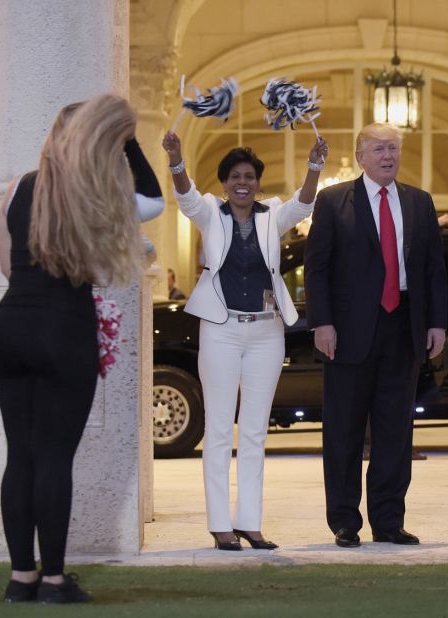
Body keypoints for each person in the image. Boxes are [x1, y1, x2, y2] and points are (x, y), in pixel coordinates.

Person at [0, 94, 163, 603]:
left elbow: (5, 264)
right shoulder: (97, 191)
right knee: (54, 458)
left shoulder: (18, 188)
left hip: (11, 325)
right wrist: (129, 143)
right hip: (63, 326)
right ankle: (54, 580)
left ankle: (20, 578)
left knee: (19, 456)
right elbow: (152, 201)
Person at [162, 130, 328, 551]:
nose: (243, 182)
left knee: (254, 431)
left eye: (250, 176)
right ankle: (220, 525)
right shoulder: (209, 214)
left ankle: (250, 523)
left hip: (266, 332)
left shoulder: (272, 214)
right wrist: (177, 158)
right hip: (220, 328)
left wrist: (314, 166)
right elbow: (184, 196)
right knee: (219, 428)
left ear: (258, 182)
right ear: (224, 183)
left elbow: (304, 203)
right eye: (235, 175)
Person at [304, 122, 448, 548]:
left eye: (394, 148)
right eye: (380, 149)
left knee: (395, 430)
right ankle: (345, 521)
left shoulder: (419, 203)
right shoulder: (333, 201)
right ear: (360, 157)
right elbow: (317, 266)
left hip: (403, 326)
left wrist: (436, 322)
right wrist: (321, 322)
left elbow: (433, 269)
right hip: (347, 331)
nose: (389, 156)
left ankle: (389, 520)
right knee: (344, 429)